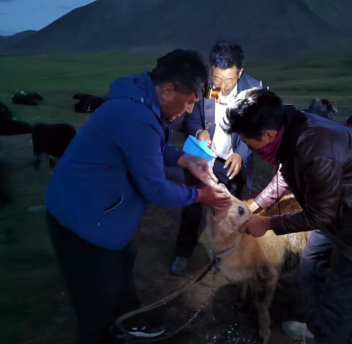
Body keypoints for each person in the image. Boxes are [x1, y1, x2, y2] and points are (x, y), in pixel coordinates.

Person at [44, 49, 231, 344]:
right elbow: (155, 188)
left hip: (101, 211)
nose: (187, 111)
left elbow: (147, 151)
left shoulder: (145, 101)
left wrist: (184, 158)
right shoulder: (136, 115)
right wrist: (201, 196)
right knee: (95, 300)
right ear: (169, 90)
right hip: (82, 219)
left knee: (122, 261)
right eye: (189, 102)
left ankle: (128, 322)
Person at [225, 88, 352, 344]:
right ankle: (315, 329)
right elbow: (286, 172)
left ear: (267, 135)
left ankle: (329, 336)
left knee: (339, 290)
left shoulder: (316, 150)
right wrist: (257, 206)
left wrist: (267, 223)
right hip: (341, 200)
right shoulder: (288, 129)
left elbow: (320, 215)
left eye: (247, 141)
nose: (247, 146)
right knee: (312, 263)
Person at [170, 41, 262, 275]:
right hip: (203, 158)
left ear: (239, 72)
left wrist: (240, 154)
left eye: (229, 80)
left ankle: (226, 255)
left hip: (233, 164)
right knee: (193, 204)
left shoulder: (254, 91)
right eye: (217, 79)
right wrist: (198, 131)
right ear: (211, 69)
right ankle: (184, 252)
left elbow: (256, 131)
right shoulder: (203, 86)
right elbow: (192, 118)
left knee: (230, 212)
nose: (221, 87)